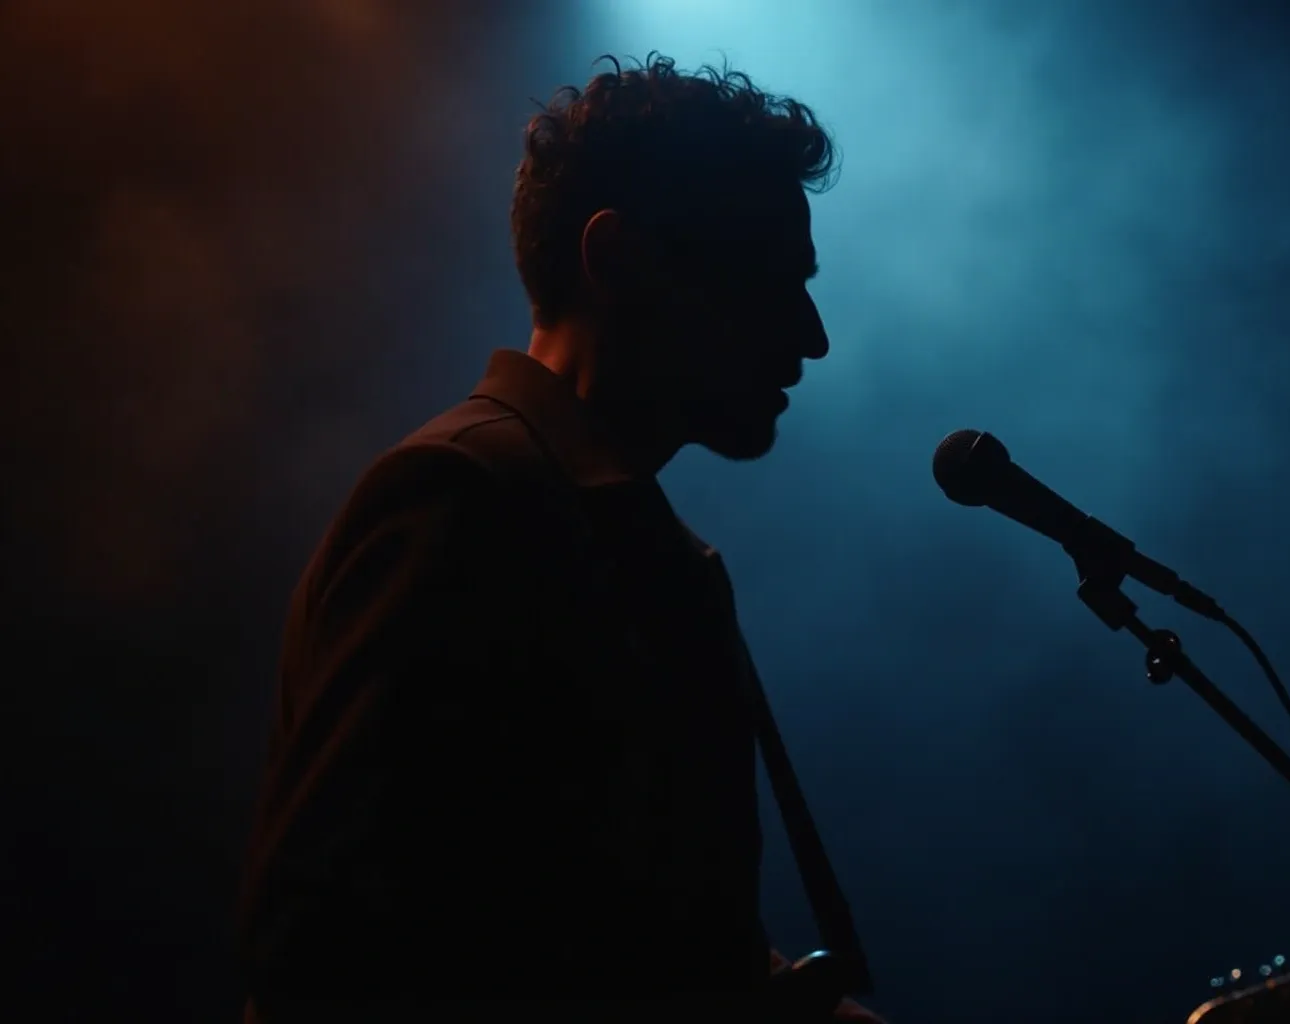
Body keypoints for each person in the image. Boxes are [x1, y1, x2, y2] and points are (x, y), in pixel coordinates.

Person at [236, 54, 882, 1022]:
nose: (811, 335)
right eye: (770, 280)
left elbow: (632, 933)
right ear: (617, 260)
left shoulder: (624, 539)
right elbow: (324, 954)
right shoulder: (459, 501)